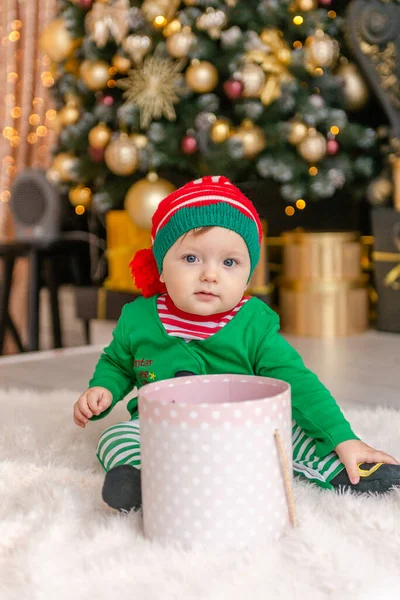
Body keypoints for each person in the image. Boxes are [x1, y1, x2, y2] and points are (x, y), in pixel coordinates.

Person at [73, 175, 400, 512]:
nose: (210, 275)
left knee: (294, 434)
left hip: (243, 429)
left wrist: (342, 437)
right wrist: (104, 389)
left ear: (247, 275)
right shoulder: (138, 319)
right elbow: (117, 363)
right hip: (163, 431)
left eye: (229, 263)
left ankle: (345, 471)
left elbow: (300, 382)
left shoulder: (252, 325)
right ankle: (143, 480)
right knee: (116, 437)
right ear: (161, 267)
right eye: (191, 259)